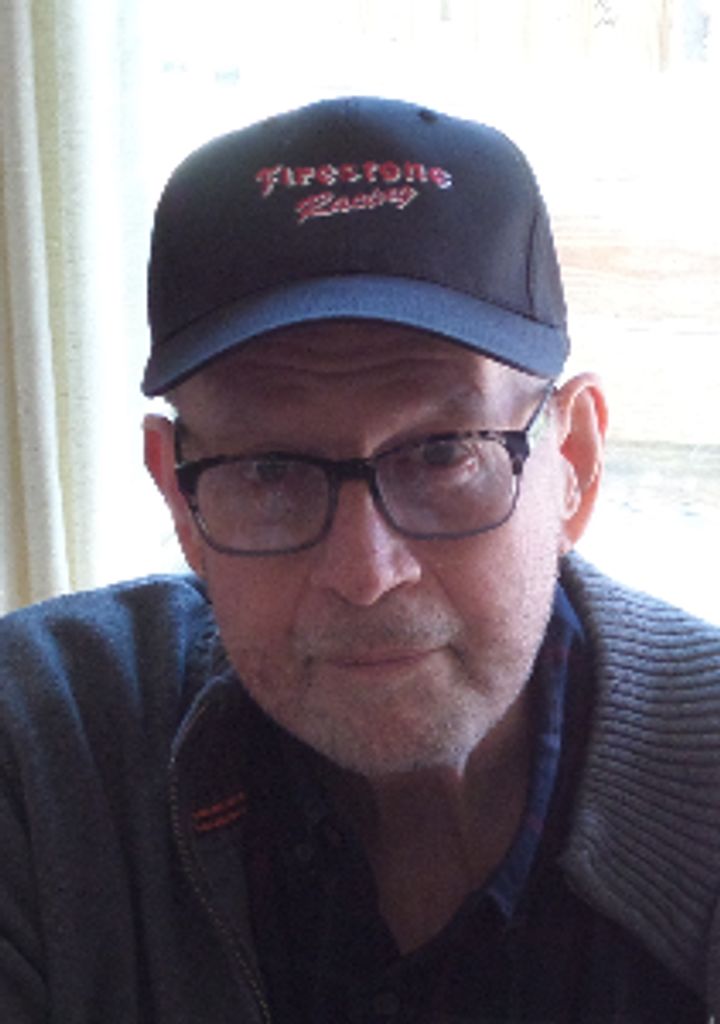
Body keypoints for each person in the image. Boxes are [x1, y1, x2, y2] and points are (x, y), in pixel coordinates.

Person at [1, 96, 719, 1024]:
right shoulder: (40, 760)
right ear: (180, 498)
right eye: (269, 470)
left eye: (442, 454)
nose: (366, 573)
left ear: (573, 464)